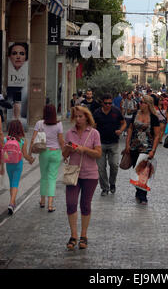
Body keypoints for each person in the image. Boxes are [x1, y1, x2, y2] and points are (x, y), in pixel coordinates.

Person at [63, 106, 102, 250]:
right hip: (73, 173)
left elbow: (98, 154)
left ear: (87, 117)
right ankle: (73, 235)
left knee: (85, 205)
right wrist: (68, 148)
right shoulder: (69, 133)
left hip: (90, 174)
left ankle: (83, 235)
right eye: (76, 116)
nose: (78, 119)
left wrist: (84, 149)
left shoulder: (94, 133)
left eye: (81, 116)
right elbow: (64, 155)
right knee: (71, 203)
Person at [125, 95, 160, 205]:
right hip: (134, 147)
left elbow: (157, 135)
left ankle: (143, 196)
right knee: (136, 170)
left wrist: (153, 150)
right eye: (141, 102)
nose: (141, 104)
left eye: (143, 102)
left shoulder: (154, 118)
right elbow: (130, 129)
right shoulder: (135, 114)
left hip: (147, 148)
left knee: (144, 173)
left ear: (148, 104)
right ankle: (138, 191)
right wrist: (127, 144)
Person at [29, 104, 64, 212]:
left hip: (43, 153)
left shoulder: (39, 123)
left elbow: (33, 140)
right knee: (52, 178)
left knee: (44, 177)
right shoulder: (59, 125)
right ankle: (50, 205)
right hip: (55, 153)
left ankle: (42, 201)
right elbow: (61, 141)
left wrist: (29, 154)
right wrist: (65, 154)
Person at [93, 94, 127, 196]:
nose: (108, 105)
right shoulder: (97, 113)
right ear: (102, 103)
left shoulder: (116, 111)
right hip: (100, 144)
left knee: (114, 165)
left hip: (113, 143)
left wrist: (120, 130)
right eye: (106, 103)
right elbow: (93, 125)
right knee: (100, 168)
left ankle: (112, 183)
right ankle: (105, 188)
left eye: (110, 103)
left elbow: (124, 123)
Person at [5, 120, 35, 214]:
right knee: (15, 183)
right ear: (20, 128)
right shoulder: (22, 140)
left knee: (11, 182)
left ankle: (12, 202)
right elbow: (25, 155)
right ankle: (11, 203)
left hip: (8, 164)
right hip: (18, 164)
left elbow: (4, 153)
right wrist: (31, 160)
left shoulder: (6, 139)